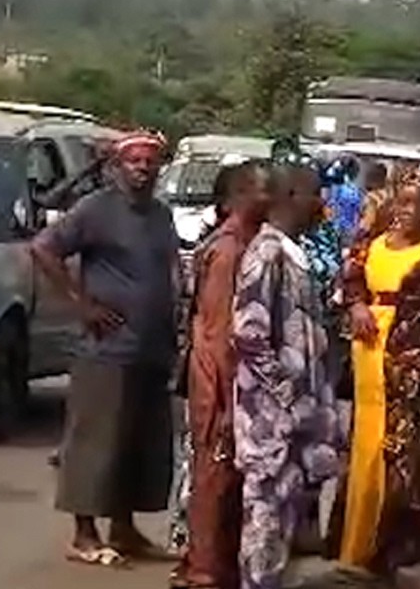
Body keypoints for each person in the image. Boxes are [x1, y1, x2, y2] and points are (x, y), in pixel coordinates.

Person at [30, 130, 181, 568]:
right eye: (133, 161)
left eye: (150, 162)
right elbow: (43, 249)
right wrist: (83, 304)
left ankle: (125, 530)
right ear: (118, 166)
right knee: (96, 442)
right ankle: (83, 534)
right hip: (106, 349)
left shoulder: (160, 215)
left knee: (138, 442)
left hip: (151, 348)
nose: (142, 168)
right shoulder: (96, 210)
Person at [331, 168, 420, 574]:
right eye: (401, 202)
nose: (406, 212)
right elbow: (349, 279)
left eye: (416, 205)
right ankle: (353, 542)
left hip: (407, 360)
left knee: (398, 450)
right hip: (367, 350)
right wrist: (356, 305)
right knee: (363, 444)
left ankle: (389, 550)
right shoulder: (371, 244)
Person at [232, 163, 341, 589]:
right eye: (316, 194)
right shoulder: (267, 254)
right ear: (292, 195)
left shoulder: (292, 252)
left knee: (281, 529)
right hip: (270, 425)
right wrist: (289, 397)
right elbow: (249, 334)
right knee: (264, 526)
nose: (323, 204)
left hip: (293, 425)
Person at [169, 161, 271, 589]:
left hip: (223, 382)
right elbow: (218, 334)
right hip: (217, 383)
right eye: (265, 191)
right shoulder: (229, 251)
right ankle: (204, 569)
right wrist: (230, 402)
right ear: (240, 197)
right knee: (215, 476)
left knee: (224, 478)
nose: (272, 199)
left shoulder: (247, 244)